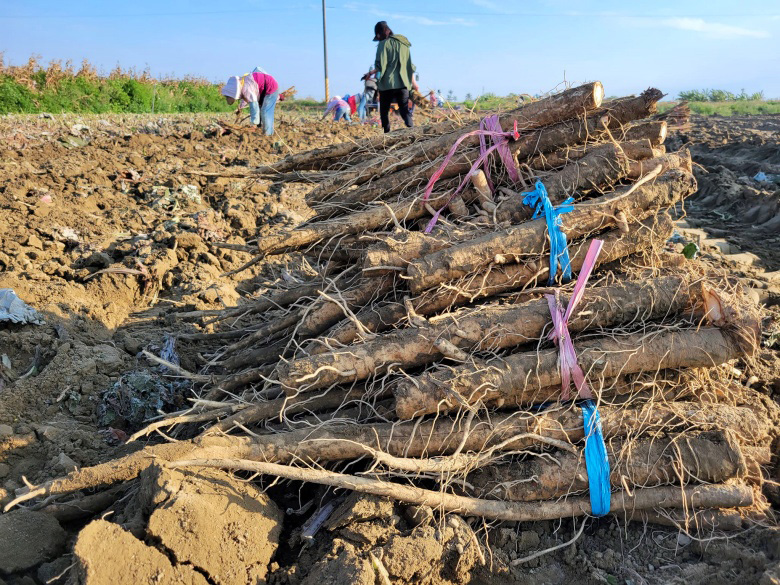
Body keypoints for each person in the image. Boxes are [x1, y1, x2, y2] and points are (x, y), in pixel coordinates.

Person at [364, 21, 420, 133]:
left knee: (384, 111)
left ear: (380, 33)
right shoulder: (404, 44)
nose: (378, 38)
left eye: (378, 35)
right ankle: (413, 131)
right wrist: (413, 82)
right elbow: (409, 65)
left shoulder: (383, 44)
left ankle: (387, 135)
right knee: (404, 110)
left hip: (387, 84)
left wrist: (369, 74)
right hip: (403, 83)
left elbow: (380, 66)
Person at [220, 67, 280, 135]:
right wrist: (241, 107)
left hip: (270, 87)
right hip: (265, 89)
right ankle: (265, 131)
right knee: (264, 111)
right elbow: (246, 99)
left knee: (265, 111)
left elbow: (254, 106)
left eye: (228, 97)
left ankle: (268, 135)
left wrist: (253, 124)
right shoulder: (243, 84)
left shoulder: (246, 88)